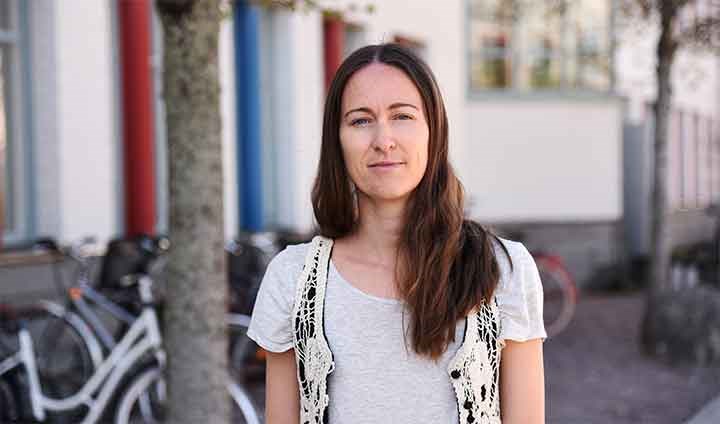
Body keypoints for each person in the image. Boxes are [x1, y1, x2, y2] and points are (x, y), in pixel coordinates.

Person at [247, 43, 546, 424]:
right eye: (360, 121)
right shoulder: (292, 278)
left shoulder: (504, 269)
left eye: (402, 116)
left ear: (433, 131)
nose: (383, 140)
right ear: (336, 141)